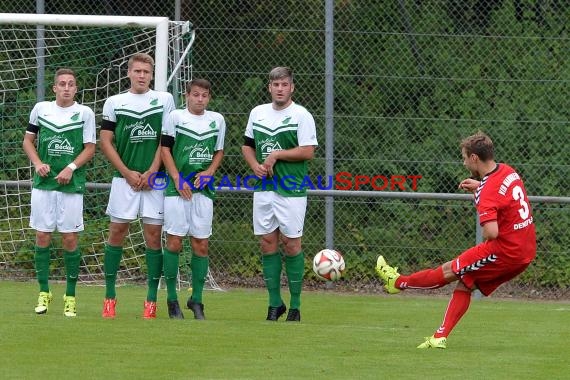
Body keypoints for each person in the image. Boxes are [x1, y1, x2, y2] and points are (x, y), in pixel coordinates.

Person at [375, 132, 536, 349]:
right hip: (525, 248)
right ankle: (439, 337)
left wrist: (480, 198)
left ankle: (397, 282)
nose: (463, 162)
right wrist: (480, 187)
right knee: (466, 280)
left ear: (474, 158)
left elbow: (491, 232)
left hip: (504, 250)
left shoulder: (487, 191)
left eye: (464, 157)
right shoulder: (508, 171)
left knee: (449, 270)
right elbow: (500, 194)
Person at [99, 53, 175, 319]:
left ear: (152, 75)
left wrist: (152, 171)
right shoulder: (114, 102)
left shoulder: (164, 100)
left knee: (154, 238)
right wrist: (127, 173)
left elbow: (165, 140)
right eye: (137, 71)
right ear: (128, 73)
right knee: (116, 234)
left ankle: (151, 301)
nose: (142, 75)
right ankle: (109, 297)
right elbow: (105, 141)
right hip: (124, 181)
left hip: (155, 181)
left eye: (146, 71)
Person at [242, 66, 318, 322]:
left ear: (292, 87)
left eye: (284, 85)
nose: (280, 89)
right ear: (270, 88)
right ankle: (275, 303)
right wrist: (254, 165)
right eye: (276, 85)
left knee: (291, 243)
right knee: (267, 243)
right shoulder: (258, 113)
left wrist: (276, 155)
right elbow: (247, 146)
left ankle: (295, 306)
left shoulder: (301, 115)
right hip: (264, 188)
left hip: (291, 188)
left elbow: (308, 151)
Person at [23, 68, 96, 317]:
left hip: (70, 185)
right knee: (42, 236)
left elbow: (90, 148)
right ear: (54, 88)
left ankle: (70, 296)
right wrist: (37, 163)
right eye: (62, 84)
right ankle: (44, 292)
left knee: (69, 239)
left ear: (76, 89)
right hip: (44, 184)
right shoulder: (41, 109)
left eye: (71, 84)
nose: (66, 87)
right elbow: (27, 141)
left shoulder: (85, 113)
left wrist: (70, 167)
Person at [160, 79, 226, 319]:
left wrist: (209, 172)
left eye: (204, 95)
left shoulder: (216, 120)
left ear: (209, 97)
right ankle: (171, 300)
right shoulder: (175, 117)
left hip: (202, 191)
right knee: (174, 242)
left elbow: (219, 151)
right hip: (177, 190)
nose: (200, 99)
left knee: (201, 244)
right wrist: (177, 178)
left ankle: (197, 299)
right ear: (187, 95)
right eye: (195, 94)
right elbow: (165, 149)